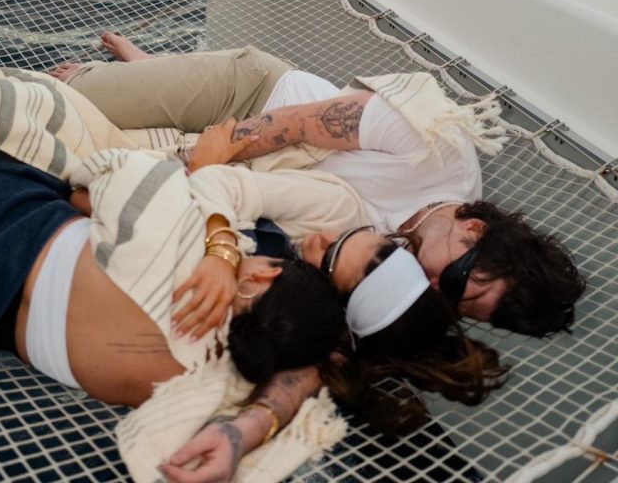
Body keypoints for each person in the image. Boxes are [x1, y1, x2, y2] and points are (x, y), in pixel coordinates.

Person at [0, 64, 502, 483]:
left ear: (266, 277)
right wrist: (246, 429)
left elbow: (96, 186)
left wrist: (216, 241)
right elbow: (310, 376)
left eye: (335, 253)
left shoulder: (206, 255)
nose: (326, 238)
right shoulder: (245, 373)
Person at [51, 34, 586, 339]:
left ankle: (152, 74)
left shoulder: (402, 273)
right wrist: (191, 161)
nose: (432, 288)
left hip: (250, 176)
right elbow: (295, 124)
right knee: (68, 92)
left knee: (86, 147)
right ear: (475, 230)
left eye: (455, 305)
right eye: (456, 279)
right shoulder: (434, 146)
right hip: (252, 98)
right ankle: (146, 75)